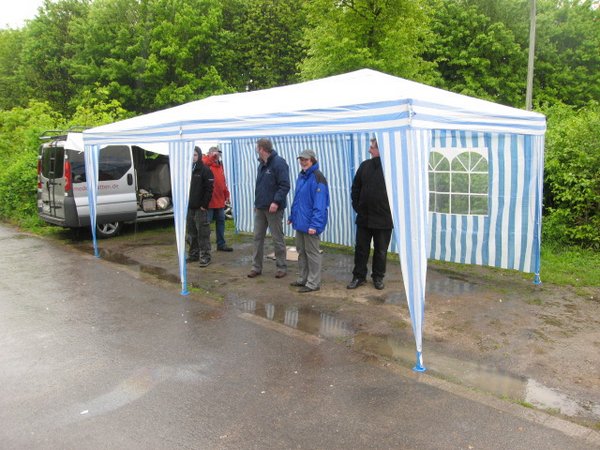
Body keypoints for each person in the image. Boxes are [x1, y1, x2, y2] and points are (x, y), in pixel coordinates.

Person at [347, 138, 393, 290]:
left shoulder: (391, 168)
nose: (369, 150)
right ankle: (358, 276)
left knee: (381, 251)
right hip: (364, 217)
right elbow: (355, 187)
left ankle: (378, 277)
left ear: (380, 149)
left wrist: (391, 211)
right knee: (361, 249)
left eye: (372, 147)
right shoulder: (364, 165)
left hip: (384, 218)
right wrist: (358, 206)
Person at [247, 138, 290, 279]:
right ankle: (256, 267)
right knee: (257, 237)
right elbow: (260, 186)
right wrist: (257, 204)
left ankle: (281, 267)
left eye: (257, 147)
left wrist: (276, 202)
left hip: (274, 209)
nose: (256, 150)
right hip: (261, 207)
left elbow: (285, 185)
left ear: (261, 149)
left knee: (277, 238)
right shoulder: (261, 164)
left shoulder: (279, 163)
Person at [288, 149, 330, 293]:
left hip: (310, 224)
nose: (303, 162)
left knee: (312, 253)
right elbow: (297, 199)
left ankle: (313, 283)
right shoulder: (302, 176)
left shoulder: (318, 177)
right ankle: (303, 278)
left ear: (312, 160)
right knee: (301, 251)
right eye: (301, 159)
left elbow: (320, 204)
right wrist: (292, 216)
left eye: (306, 159)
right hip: (300, 222)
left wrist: (315, 225)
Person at [187, 146, 214, 267]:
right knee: (191, 232)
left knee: (203, 233)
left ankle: (206, 256)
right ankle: (194, 254)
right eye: (191, 155)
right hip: (190, 207)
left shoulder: (205, 170)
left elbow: (209, 189)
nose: (193, 157)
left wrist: (204, 205)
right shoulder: (187, 170)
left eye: (195, 155)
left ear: (199, 156)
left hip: (200, 208)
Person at [202, 146, 233, 252]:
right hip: (210, 201)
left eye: (218, 154)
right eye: (215, 153)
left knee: (221, 222)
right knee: (206, 225)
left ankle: (221, 244)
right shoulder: (206, 163)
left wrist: (226, 194)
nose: (217, 155)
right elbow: (204, 162)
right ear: (209, 153)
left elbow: (222, 182)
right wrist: (211, 157)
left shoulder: (219, 166)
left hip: (219, 200)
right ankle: (205, 246)